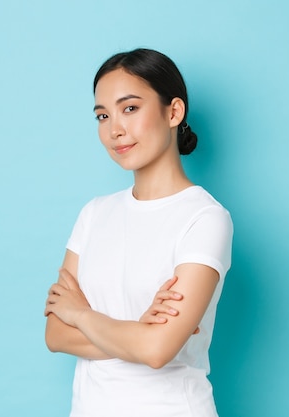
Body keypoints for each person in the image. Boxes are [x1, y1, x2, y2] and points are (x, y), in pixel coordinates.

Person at [44, 48, 233, 417]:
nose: (115, 129)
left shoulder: (205, 218)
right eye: (103, 115)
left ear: (173, 112)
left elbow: (157, 351)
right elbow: (55, 334)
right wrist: (137, 331)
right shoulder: (95, 213)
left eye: (130, 108)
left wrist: (81, 316)